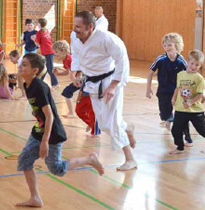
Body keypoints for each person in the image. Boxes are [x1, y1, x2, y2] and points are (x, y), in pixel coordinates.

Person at [16, 53, 104, 207]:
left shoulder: (39, 87)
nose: (20, 66)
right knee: (24, 161)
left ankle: (90, 159)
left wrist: (45, 142)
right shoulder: (27, 84)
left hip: (52, 134)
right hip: (39, 130)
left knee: (57, 169)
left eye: (24, 65)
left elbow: (49, 116)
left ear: (34, 71)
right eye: (20, 63)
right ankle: (35, 198)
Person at [72, 11, 137, 171]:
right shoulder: (76, 37)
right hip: (92, 83)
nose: (75, 30)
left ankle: (130, 159)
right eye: (74, 26)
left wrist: (114, 85)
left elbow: (122, 59)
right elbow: (77, 55)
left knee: (111, 124)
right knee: (102, 123)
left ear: (90, 27)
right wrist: (77, 71)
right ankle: (127, 127)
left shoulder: (107, 38)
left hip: (109, 81)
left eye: (78, 27)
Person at [146, 33, 192, 143]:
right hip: (163, 91)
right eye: (165, 45)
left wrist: (189, 92)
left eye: (169, 45)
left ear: (177, 45)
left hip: (178, 91)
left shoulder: (181, 61)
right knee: (164, 113)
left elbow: (189, 74)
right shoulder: (160, 59)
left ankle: (188, 138)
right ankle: (168, 118)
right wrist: (148, 88)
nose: (167, 48)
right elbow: (150, 73)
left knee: (182, 113)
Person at [170, 49, 205, 154]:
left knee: (202, 130)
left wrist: (190, 102)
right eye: (192, 63)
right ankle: (180, 147)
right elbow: (178, 88)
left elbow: (200, 94)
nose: (194, 66)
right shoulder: (180, 75)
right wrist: (173, 98)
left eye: (197, 65)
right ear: (187, 61)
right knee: (176, 130)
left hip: (195, 111)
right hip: (181, 109)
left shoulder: (199, 78)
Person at [52, 40, 79, 118]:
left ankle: (72, 113)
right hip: (77, 80)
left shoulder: (69, 59)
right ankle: (71, 113)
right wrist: (58, 74)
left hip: (81, 79)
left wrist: (74, 80)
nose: (55, 54)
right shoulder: (65, 60)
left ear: (63, 51)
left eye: (56, 52)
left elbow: (75, 71)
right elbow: (67, 72)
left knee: (68, 92)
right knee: (67, 92)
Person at [35, 18, 59, 89]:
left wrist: (34, 40)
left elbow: (37, 43)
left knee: (49, 68)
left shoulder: (39, 32)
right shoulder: (46, 31)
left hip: (47, 52)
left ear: (39, 24)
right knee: (44, 67)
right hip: (49, 51)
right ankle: (39, 81)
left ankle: (55, 83)